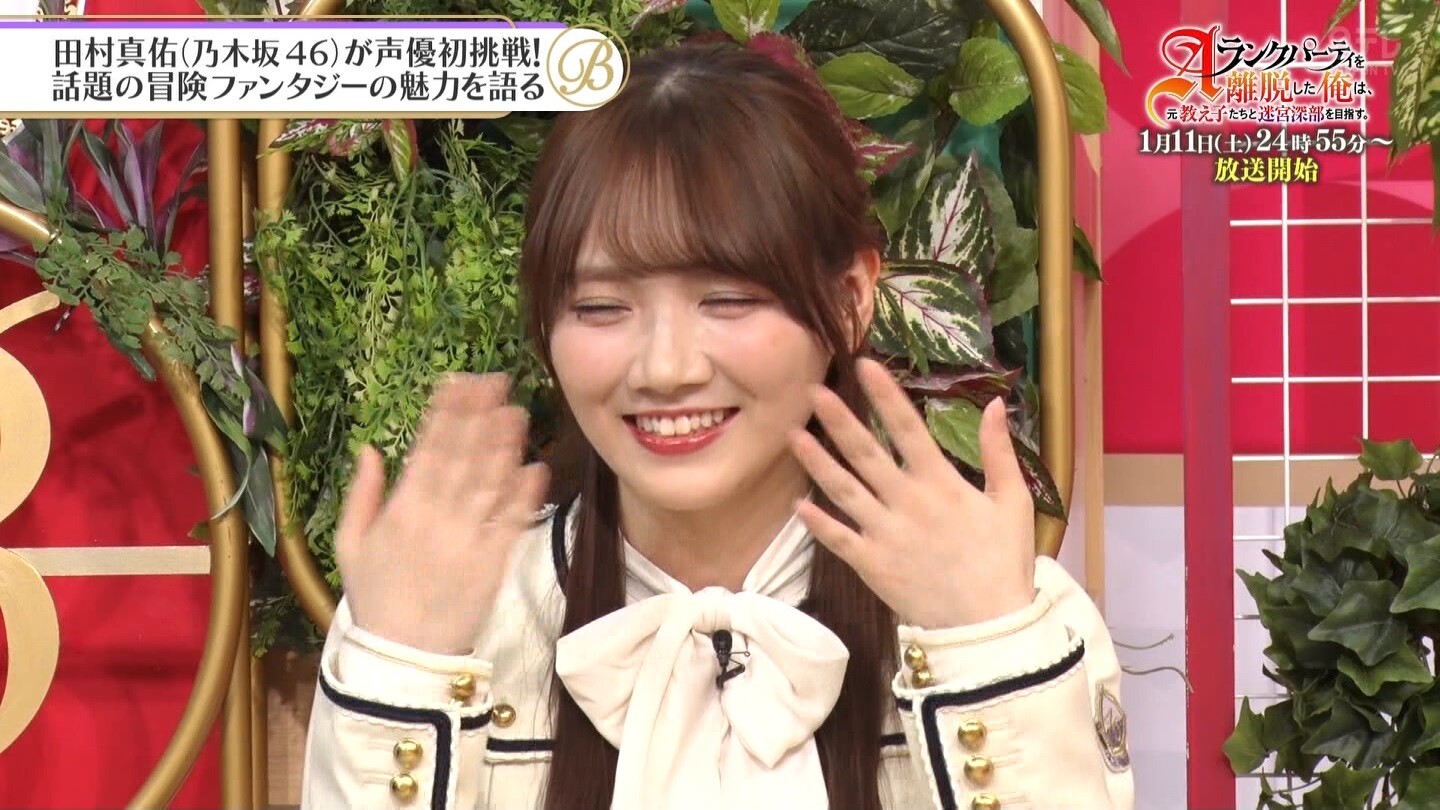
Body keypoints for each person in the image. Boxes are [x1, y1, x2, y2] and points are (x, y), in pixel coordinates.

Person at [300, 40, 1134, 810]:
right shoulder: (456, 618)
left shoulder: (1003, 611)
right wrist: (400, 675)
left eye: (728, 299)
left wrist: (985, 654)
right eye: (601, 307)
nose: (665, 368)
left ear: (850, 301)